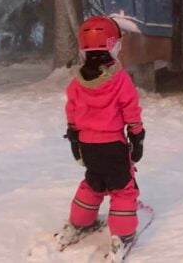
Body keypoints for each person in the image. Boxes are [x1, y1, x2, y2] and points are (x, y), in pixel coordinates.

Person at [58, 16, 145, 259]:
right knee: (122, 188)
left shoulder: (77, 83)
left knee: (93, 182)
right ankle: (123, 233)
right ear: (114, 45)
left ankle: (80, 222)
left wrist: (75, 139)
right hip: (113, 146)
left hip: (88, 146)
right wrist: (137, 137)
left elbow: (72, 112)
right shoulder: (119, 80)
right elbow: (131, 110)